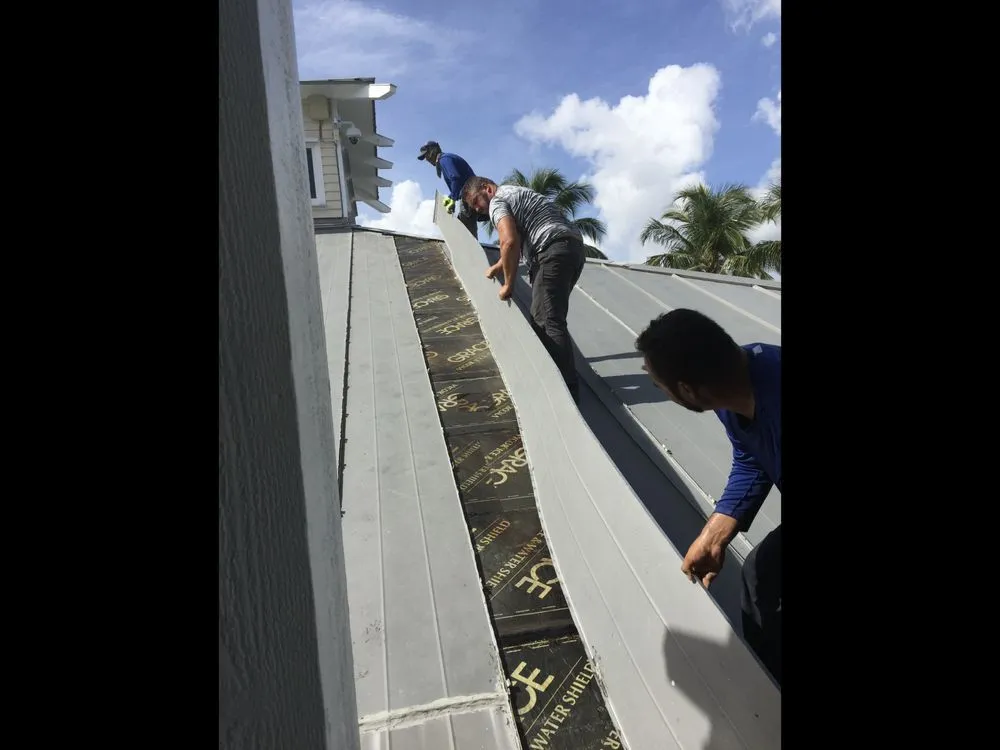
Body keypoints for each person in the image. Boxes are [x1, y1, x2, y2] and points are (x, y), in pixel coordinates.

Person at [634, 308, 781, 686]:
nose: (665, 394)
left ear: (686, 390)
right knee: (760, 577)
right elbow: (752, 460)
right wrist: (714, 536)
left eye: (661, 387)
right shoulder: (736, 389)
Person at [461, 175, 587, 404]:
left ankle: (565, 395)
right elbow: (514, 247)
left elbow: (508, 242)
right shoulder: (516, 193)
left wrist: (508, 284)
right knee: (550, 316)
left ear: (487, 189)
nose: (478, 210)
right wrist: (498, 267)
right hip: (573, 249)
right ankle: (564, 384)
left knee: (546, 322)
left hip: (551, 250)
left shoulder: (497, 201)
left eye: (475, 202)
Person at [417, 140, 479, 237]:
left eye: (427, 155)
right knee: (463, 226)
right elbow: (459, 183)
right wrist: (451, 197)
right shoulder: (446, 159)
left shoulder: (444, 159)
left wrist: (453, 198)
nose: (427, 159)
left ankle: (472, 250)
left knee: (465, 230)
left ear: (434, 150)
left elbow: (455, 177)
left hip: (470, 194)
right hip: (470, 193)